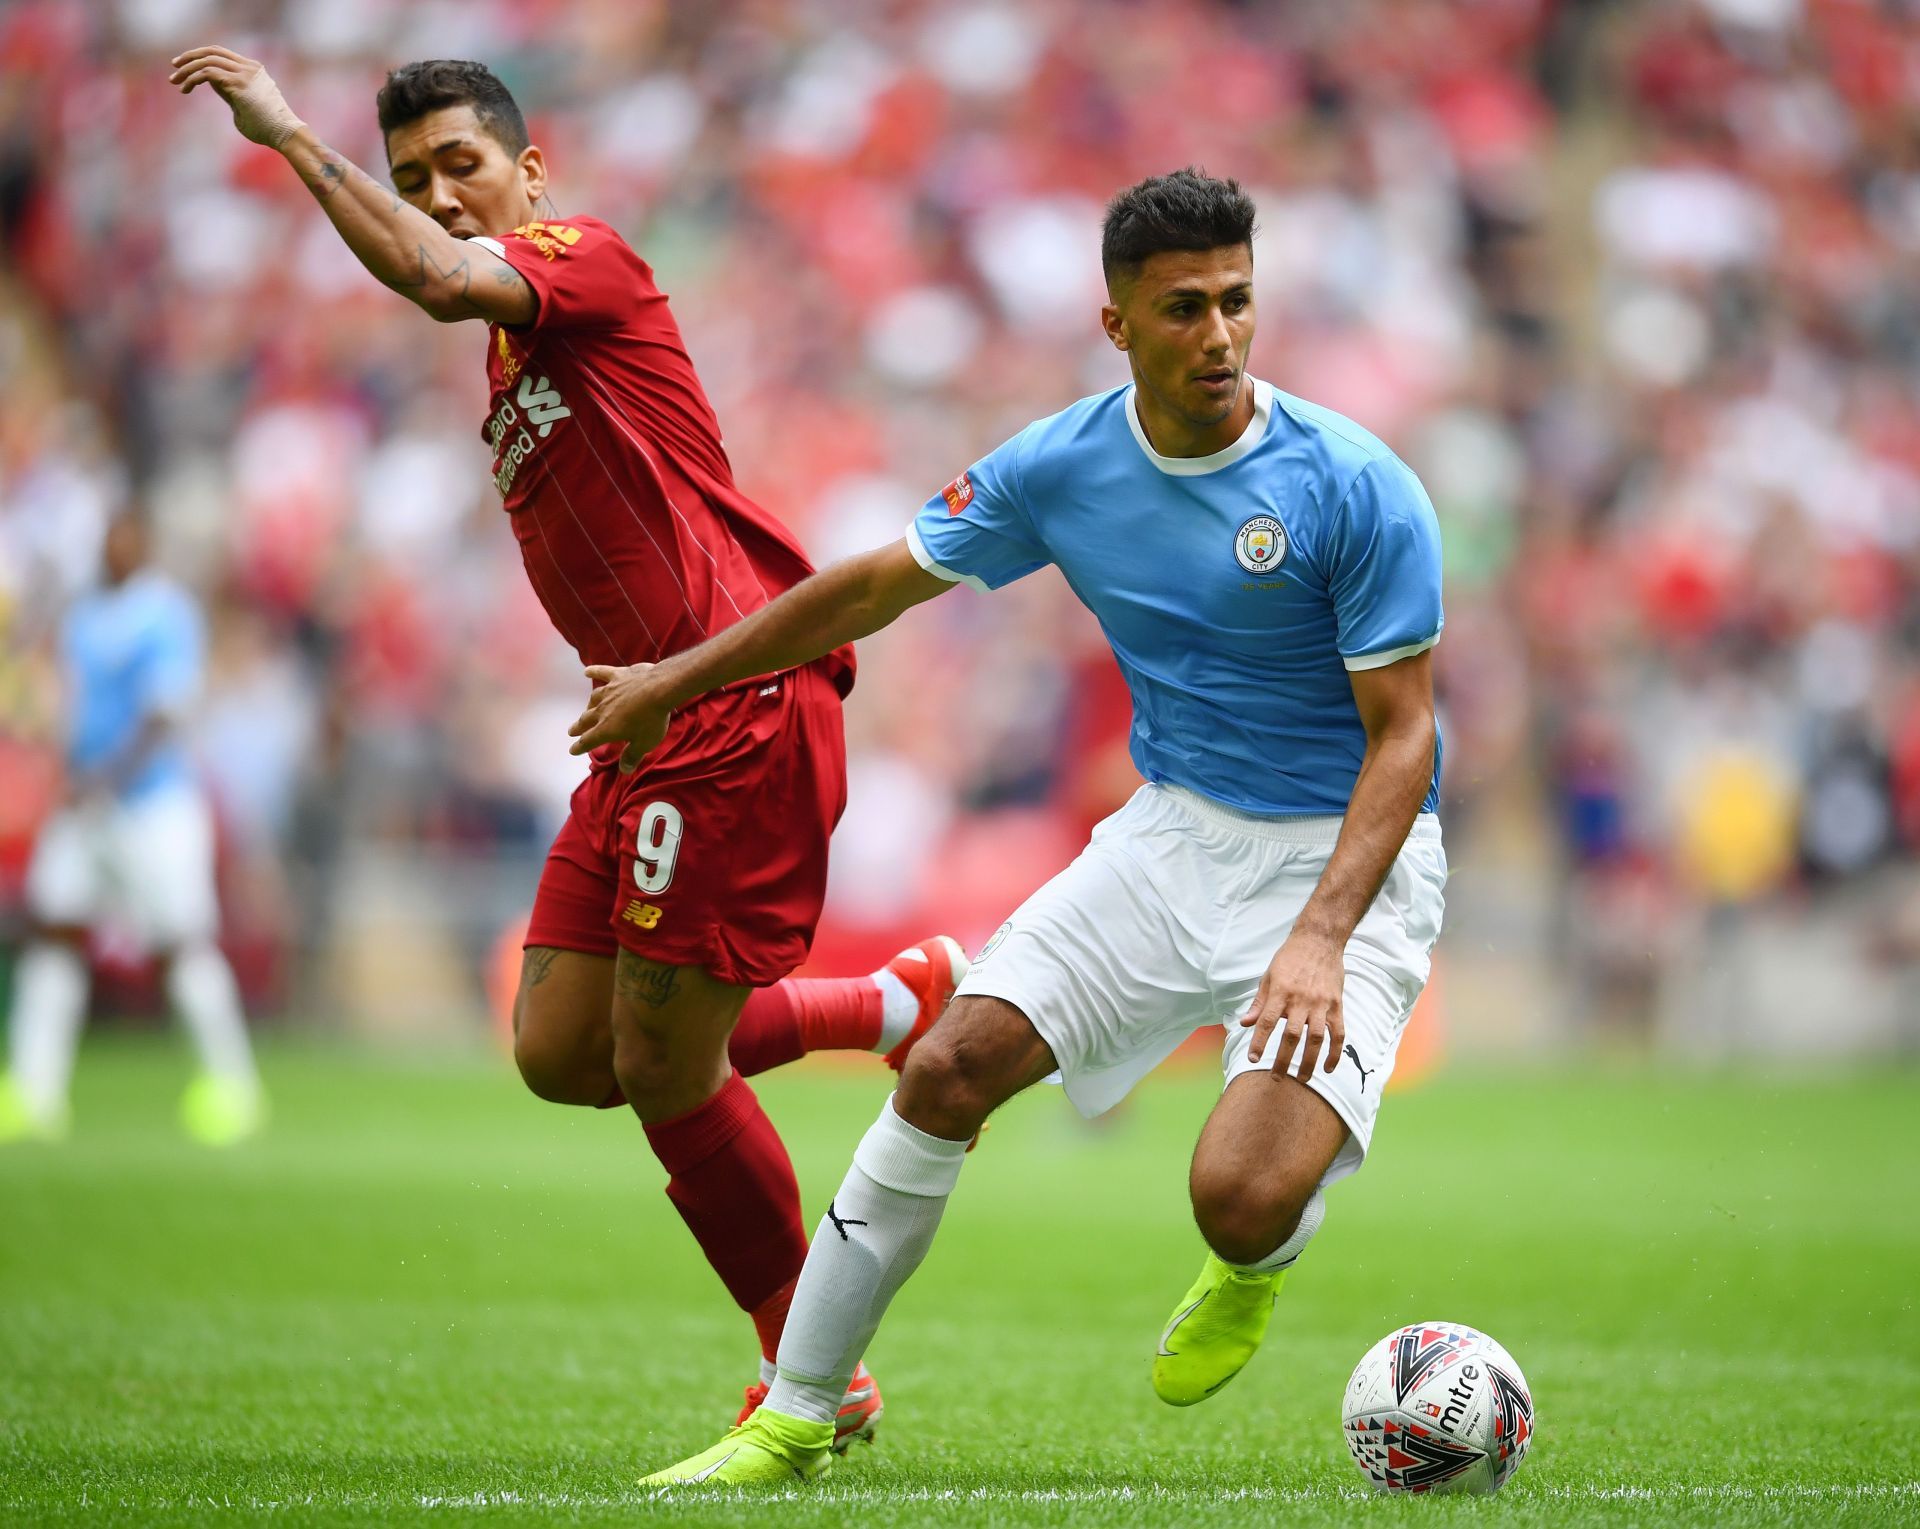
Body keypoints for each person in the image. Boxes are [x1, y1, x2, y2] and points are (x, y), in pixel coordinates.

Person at [571, 168, 1449, 1486]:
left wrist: (1319, 938)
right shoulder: (1063, 465)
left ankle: (1255, 1257)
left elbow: (1408, 737)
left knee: (1240, 1192)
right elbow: (873, 584)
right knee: (946, 1069)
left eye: (1237, 303)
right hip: (1170, 843)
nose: (1218, 334)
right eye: (1184, 308)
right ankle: (796, 1410)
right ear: (1119, 325)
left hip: (1345, 864)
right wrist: (673, 681)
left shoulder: (1356, 487)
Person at [169, 47, 969, 1446]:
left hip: (727, 704)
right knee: (559, 1050)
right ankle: (886, 1007)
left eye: (458, 165)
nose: (437, 195)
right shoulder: (510, 346)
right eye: (412, 176)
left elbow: (429, 275)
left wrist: (293, 140)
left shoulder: (580, 257)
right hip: (638, 728)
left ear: (530, 171)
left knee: (665, 1066)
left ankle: (814, 1370)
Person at [0, 515, 265, 1146]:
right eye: (106, 538)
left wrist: (102, 778)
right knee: (54, 931)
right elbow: (66, 701)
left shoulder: (164, 615)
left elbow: (163, 716)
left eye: (124, 538)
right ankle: (35, 1093)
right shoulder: (84, 615)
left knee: (180, 943)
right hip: (85, 803)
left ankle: (233, 1086)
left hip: (152, 804)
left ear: (144, 546)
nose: (112, 549)